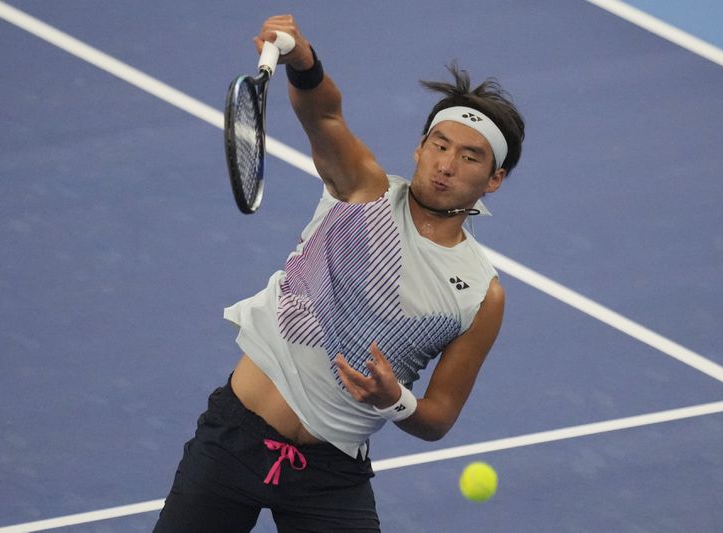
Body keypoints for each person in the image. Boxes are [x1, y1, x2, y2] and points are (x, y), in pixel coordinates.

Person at [155, 14, 525, 533]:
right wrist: (303, 63)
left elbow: (438, 416)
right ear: (419, 148)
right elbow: (324, 117)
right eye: (439, 145)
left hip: (329, 475)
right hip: (232, 440)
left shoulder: (483, 295)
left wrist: (394, 400)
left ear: (495, 179)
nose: (446, 164)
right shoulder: (364, 189)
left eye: (470, 157)